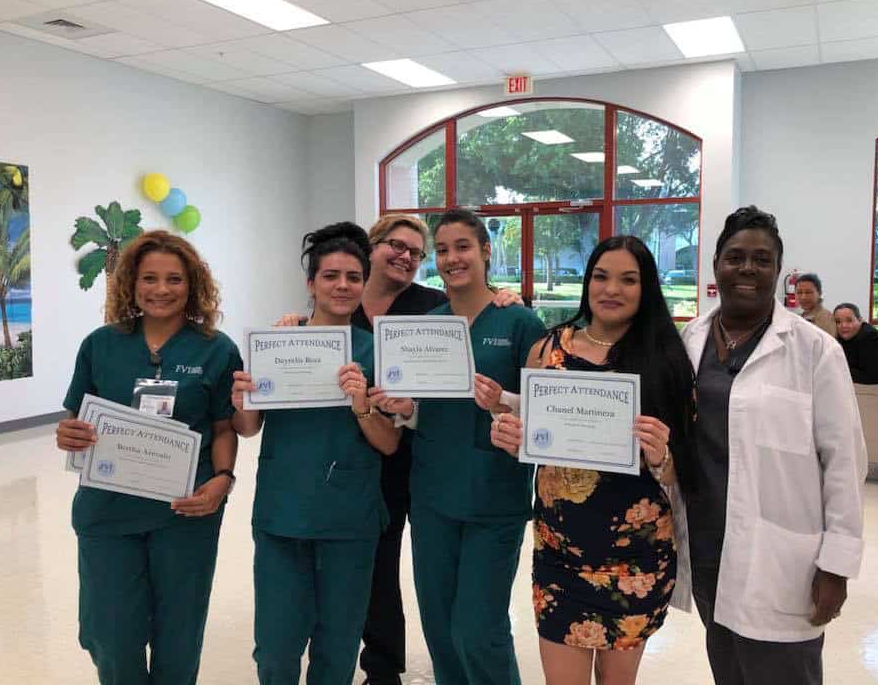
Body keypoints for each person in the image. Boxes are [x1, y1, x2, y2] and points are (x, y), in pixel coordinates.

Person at [274, 213, 520, 685]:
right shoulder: (339, 304)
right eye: (396, 245)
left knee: (454, 597)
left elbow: (476, 305)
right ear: (372, 247)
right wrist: (293, 325)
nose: (406, 256)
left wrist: (506, 296)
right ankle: (381, 667)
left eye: (416, 251)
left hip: (421, 452)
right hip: (364, 458)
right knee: (378, 569)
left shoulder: (429, 305)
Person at [484, 235, 697, 684]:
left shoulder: (666, 358)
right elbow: (538, 439)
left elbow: (685, 470)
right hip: (561, 550)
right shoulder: (548, 349)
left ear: (646, 288)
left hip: (636, 558)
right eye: (601, 276)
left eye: (628, 279)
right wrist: (513, 437)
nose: (611, 290)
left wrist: (661, 456)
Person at [680, 206, 867, 685]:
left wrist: (837, 564)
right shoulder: (692, 339)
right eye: (735, 256)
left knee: (784, 672)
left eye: (761, 259)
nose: (747, 268)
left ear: (778, 272)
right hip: (708, 548)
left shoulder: (814, 350)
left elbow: (845, 461)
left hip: (783, 557)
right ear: (715, 265)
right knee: (727, 669)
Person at [55, 230, 242, 685]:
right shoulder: (101, 344)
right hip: (108, 512)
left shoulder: (217, 349)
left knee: (180, 633)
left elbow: (222, 428)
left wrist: (223, 479)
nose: (161, 289)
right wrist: (68, 434)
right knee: (110, 634)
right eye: (149, 278)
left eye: (174, 279)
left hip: (185, 511)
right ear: (131, 284)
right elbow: (74, 420)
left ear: (193, 285)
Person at [375, 209, 546, 685]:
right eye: (444, 249)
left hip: (494, 497)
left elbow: (541, 412)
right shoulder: (426, 324)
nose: (453, 258)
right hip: (432, 493)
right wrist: (402, 407)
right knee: (440, 626)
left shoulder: (519, 322)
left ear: (486, 251)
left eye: (463, 247)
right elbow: (419, 409)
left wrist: (502, 402)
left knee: (477, 629)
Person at [231, 222, 400, 685]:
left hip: (351, 520)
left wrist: (362, 404)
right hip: (283, 516)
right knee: (277, 649)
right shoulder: (276, 345)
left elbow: (389, 442)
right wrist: (241, 399)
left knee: (338, 645)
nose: (342, 285)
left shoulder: (375, 351)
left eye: (352, 276)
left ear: (364, 283)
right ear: (311, 283)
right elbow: (248, 430)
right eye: (330, 276)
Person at [794, 273, 836, 338]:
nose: (803, 297)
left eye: (808, 292)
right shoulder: (802, 316)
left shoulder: (825, 318)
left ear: (819, 293)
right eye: (799, 292)